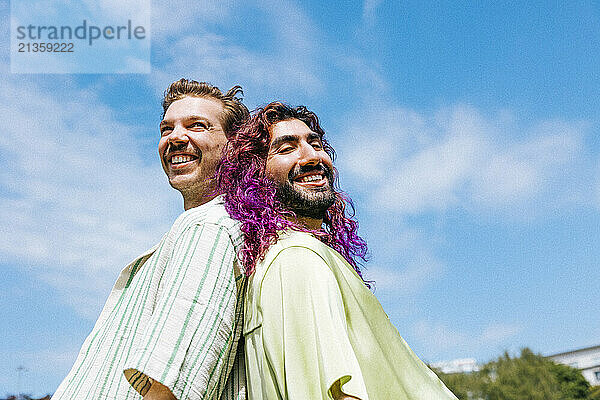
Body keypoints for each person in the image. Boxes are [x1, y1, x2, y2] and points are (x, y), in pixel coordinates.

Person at [216, 102, 458, 400]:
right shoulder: (296, 258)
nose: (312, 156)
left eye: (315, 144)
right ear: (256, 176)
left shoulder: (305, 256)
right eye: (287, 148)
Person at [52, 79, 249, 400]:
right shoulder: (193, 230)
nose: (175, 137)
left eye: (197, 125)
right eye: (166, 128)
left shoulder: (209, 227)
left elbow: (171, 383)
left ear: (234, 146)